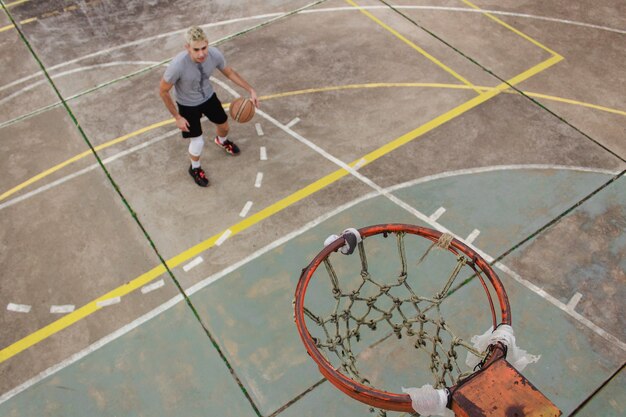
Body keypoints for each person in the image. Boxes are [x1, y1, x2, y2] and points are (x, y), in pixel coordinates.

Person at [159, 26, 259, 187]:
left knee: (224, 126)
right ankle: (195, 168)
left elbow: (230, 73)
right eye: (196, 49)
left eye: (204, 48)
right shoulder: (177, 65)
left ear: (207, 43)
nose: (201, 54)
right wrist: (177, 117)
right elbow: (163, 91)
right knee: (198, 142)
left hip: (208, 97)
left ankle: (221, 140)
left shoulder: (214, 55)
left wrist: (251, 89)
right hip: (187, 104)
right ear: (187, 48)